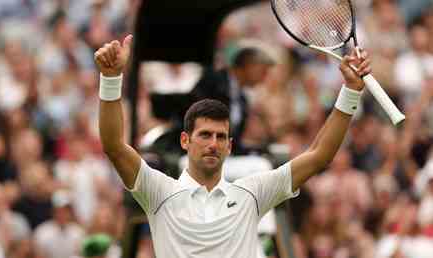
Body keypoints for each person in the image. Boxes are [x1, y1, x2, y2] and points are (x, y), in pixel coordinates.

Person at [94, 34, 371, 258]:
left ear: (230, 146)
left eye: (220, 137)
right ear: (184, 141)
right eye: (205, 135)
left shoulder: (251, 193)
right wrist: (110, 79)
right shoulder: (160, 193)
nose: (213, 144)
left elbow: (319, 156)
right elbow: (114, 147)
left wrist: (350, 91)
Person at [188, 46, 275, 154]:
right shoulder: (213, 81)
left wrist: (256, 150)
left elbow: (232, 142)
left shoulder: (242, 100)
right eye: (263, 71)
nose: (264, 77)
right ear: (249, 66)